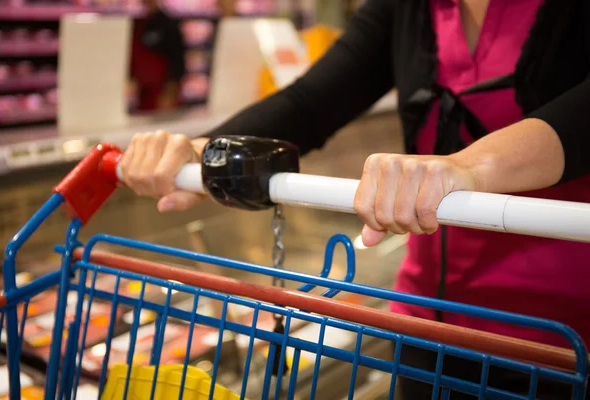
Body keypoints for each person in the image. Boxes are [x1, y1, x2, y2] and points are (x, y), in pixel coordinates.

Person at [119, 0, 590, 398]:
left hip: (561, 341)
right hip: (426, 325)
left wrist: (467, 166)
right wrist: (206, 150)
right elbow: (312, 101)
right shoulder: (408, 8)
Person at [129, 0, 186, 111]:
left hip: (161, 89)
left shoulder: (168, 24)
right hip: (143, 90)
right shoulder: (140, 23)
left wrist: (170, 91)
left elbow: (177, 60)